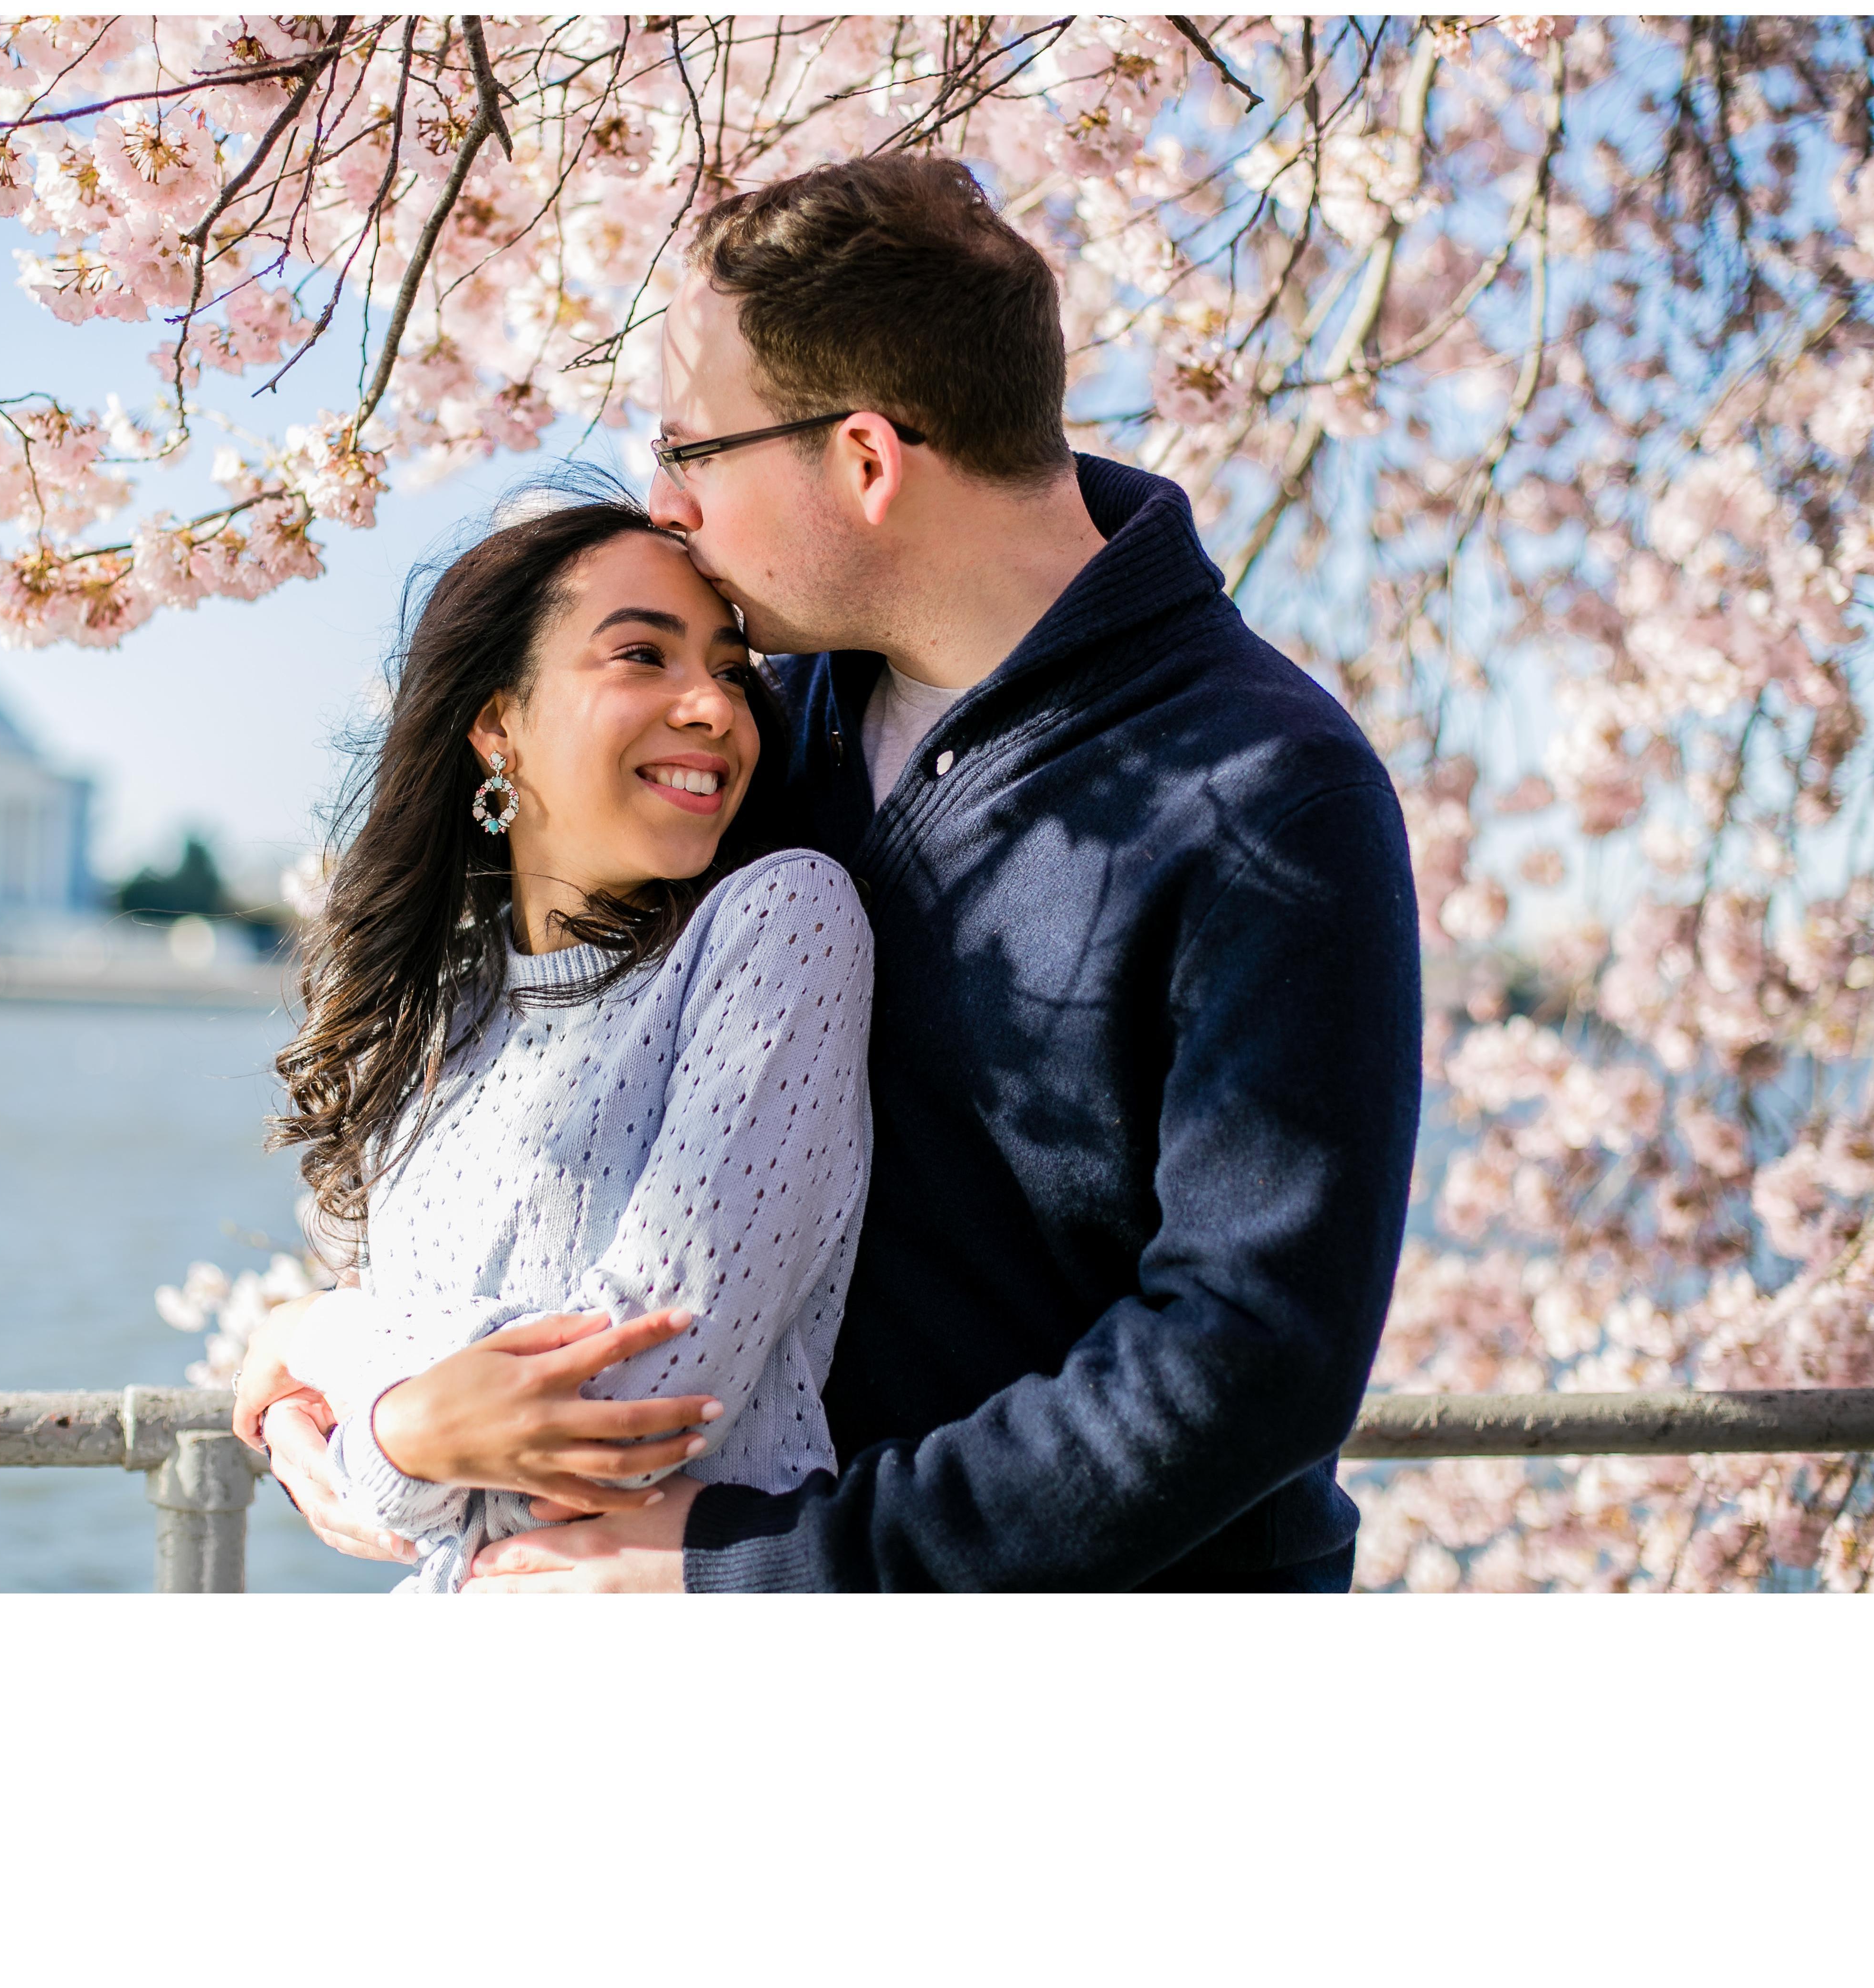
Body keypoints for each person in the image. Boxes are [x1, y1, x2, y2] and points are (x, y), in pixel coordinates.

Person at [242, 153, 1422, 1594]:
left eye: (693, 452)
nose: (664, 505)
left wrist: (768, 1568)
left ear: (864, 460)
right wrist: (337, 1356)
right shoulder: (766, 731)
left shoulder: (1262, 792)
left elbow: (1251, 1356)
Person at [238, 494, 872, 1593]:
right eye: (643, 655)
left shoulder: (782, 922)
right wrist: (361, 1414)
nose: (715, 709)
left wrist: (326, 1345)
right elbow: (383, 1479)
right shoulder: (431, 1015)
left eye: (731, 672)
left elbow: (631, 1410)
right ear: (498, 723)